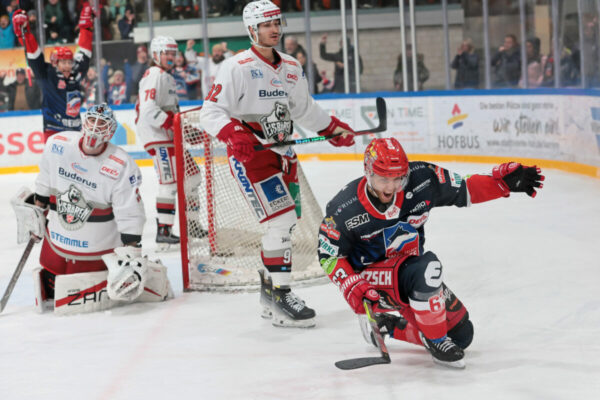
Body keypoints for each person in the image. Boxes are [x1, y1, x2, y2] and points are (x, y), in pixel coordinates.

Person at [199, 0, 358, 328]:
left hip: (283, 156)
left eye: (276, 23)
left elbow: (304, 109)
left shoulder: (290, 66)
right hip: (252, 157)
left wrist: (332, 128)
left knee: (284, 225)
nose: (273, 29)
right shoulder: (236, 66)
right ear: (251, 29)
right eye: (266, 24)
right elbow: (210, 112)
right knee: (280, 220)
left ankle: (269, 294)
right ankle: (282, 296)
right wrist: (232, 133)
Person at [318, 137, 544, 368]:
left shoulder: (423, 178)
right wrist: (352, 285)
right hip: (372, 278)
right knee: (429, 268)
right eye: (383, 178)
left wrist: (501, 184)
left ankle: (389, 326)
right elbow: (328, 255)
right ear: (368, 172)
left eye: (398, 178)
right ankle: (436, 343)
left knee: (462, 335)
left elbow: (464, 189)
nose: (390, 187)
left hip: (408, 271)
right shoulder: (344, 207)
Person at [10, 103, 172, 315]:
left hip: (97, 252)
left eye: (102, 124)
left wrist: (131, 252)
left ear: (111, 132)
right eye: (92, 121)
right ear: (83, 123)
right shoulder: (57, 144)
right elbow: (44, 182)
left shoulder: (121, 164)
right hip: (57, 242)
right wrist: (36, 212)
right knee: (51, 279)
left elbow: (130, 212)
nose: (95, 129)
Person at [135, 35, 206, 249]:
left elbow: (171, 112)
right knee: (170, 183)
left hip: (169, 136)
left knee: (193, 177)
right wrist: (173, 126)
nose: (171, 57)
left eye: (173, 53)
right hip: (158, 138)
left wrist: (185, 131)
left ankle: (192, 225)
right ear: (155, 54)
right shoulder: (155, 74)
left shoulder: (166, 76)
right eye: (166, 53)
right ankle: (164, 230)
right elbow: (148, 111)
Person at [12, 3, 94, 141]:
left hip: (75, 130)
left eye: (69, 62)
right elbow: (34, 55)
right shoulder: (47, 74)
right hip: (53, 130)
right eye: (63, 62)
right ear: (56, 63)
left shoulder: (76, 73)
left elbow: (85, 52)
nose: (67, 65)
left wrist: (86, 28)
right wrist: (25, 33)